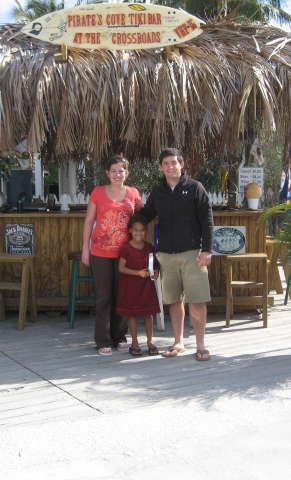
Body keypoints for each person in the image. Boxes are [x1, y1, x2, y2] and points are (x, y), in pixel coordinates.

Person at [141, 148, 213, 361]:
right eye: (166, 163)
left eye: (174, 162)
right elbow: (145, 216)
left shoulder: (195, 188)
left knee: (198, 301)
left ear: (182, 164)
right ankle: (178, 342)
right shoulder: (157, 193)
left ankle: (200, 346)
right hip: (166, 255)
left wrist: (207, 250)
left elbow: (207, 220)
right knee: (174, 301)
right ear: (161, 167)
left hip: (193, 253)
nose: (170, 167)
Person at [82, 155, 143, 356]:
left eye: (121, 170)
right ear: (107, 173)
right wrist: (85, 248)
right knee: (104, 296)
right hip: (100, 252)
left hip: (125, 253)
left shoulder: (134, 193)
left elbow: (141, 220)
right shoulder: (98, 192)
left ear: (127, 172)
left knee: (121, 295)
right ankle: (102, 340)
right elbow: (89, 221)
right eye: (114, 170)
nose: (118, 174)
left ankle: (120, 336)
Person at [116, 214, 160, 357]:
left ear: (146, 231)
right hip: (130, 286)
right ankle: (134, 342)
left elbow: (155, 265)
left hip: (147, 286)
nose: (138, 233)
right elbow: (121, 268)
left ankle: (150, 341)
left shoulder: (149, 247)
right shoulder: (126, 248)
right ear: (130, 230)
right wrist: (138, 273)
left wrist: (156, 273)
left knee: (148, 313)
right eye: (135, 230)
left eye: (142, 230)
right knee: (133, 315)